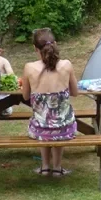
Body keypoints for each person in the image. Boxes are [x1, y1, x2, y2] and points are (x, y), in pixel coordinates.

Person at [21, 28, 79, 177]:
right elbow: (75, 92)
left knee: (43, 121)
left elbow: (25, 96)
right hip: (65, 129)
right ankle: (58, 168)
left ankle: (45, 167)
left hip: (39, 129)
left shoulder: (29, 68)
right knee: (57, 122)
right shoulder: (66, 65)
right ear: (55, 44)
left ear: (35, 48)